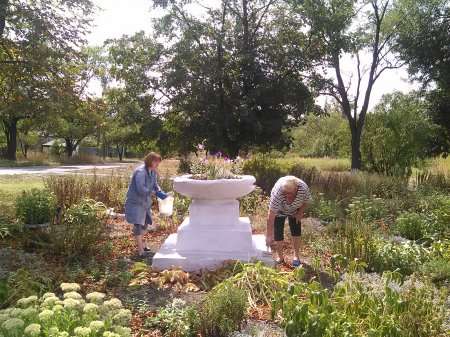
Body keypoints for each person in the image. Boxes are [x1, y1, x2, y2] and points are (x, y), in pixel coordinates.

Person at [125, 152, 168, 257]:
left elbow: (155, 184)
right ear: (150, 161)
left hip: (144, 202)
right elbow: (141, 189)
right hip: (135, 202)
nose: (158, 164)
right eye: (156, 162)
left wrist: (159, 191)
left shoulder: (152, 171)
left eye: (158, 162)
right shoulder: (140, 172)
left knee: (145, 224)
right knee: (138, 225)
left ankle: (141, 244)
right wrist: (154, 193)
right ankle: (140, 250)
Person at [266, 176, 311, 267]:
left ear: (296, 189)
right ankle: (280, 258)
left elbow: (307, 201)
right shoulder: (278, 192)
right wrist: (269, 235)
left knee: (296, 231)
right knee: (278, 232)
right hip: (279, 211)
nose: (287, 196)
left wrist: (300, 213)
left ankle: (296, 257)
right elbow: (271, 215)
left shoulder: (303, 189)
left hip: (295, 210)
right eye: (285, 193)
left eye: (290, 193)